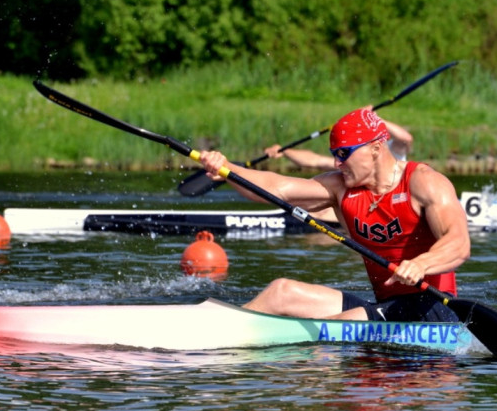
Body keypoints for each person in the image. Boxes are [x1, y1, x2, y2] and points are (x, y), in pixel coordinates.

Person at [199, 108, 470, 323]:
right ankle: (215, 329)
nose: (337, 163)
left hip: (434, 308)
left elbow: (458, 243)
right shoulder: (341, 188)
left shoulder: (423, 182)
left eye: (343, 154)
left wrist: (421, 265)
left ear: (376, 148)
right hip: (385, 307)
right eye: (334, 155)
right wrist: (226, 168)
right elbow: (276, 188)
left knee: (344, 323)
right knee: (281, 292)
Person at [263, 106, 414, 171]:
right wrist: (284, 151)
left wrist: (373, 117)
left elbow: (406, 138)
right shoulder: (355, 157)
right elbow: (315, 160)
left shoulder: (393, 151)